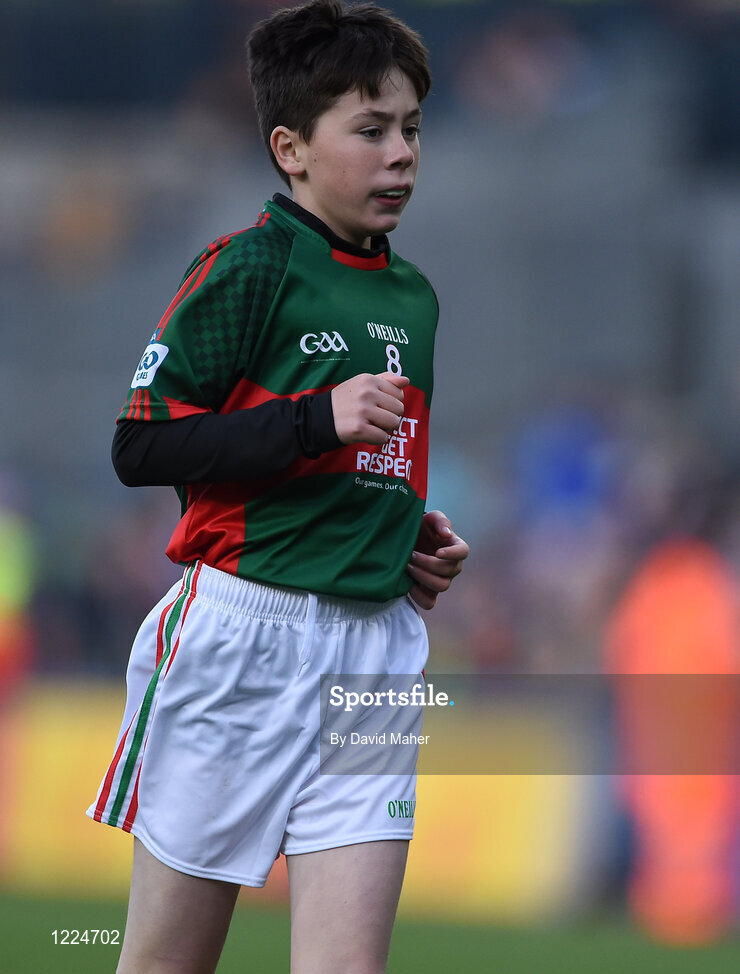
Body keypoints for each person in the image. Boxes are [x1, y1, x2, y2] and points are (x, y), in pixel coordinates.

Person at [87, 2, 469, 972]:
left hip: (373, 653)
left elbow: (365, 458)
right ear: (289, 148)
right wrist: (313, 418)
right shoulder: (246, 267)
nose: (401, 156)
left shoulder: (413, 294)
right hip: (238, 646)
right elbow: (143, 446)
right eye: (371, 130)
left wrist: (401, 539)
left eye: (412, 129)